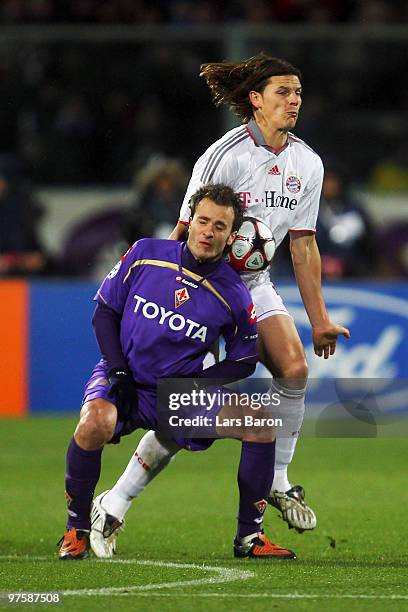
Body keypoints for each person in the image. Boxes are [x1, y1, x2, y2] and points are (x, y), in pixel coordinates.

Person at [97, 53, 351, 540]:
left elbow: (303, 244)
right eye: (282, 92)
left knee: (294, 369)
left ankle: (278, 480)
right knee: (182, 408)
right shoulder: (224, 156)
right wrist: (166, 300)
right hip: (201, 287)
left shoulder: (308, 163)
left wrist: (319, 318)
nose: (293, 101)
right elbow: (183, 231)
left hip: (251, 286)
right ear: (255, 100)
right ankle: (116, 500)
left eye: (297, 93)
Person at [58, 183, 296, 561]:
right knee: (94, 422)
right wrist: (118, 372)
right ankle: (76, 530)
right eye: (203, 221)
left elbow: (244, 358)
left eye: (219, 226)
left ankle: (249, 537)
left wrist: (195, 385)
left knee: (260, 424)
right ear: (189, 221)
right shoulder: (146, 253)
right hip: (125, 378)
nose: (208, 231)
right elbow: (104, 312)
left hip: (176, 394)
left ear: (232, 237)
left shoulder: (234, 293)